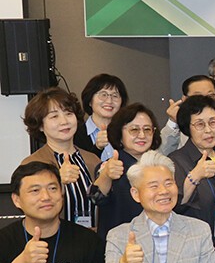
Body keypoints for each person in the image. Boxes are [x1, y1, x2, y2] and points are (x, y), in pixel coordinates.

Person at [21, 88, 100, 228]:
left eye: (68, 113)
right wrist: (57, 181)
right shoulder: (31, 164)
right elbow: (30, 206)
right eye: (54, 116)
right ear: (40, 125)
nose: (64, 121)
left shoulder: (93, 160)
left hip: (93, 236)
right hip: (54, 238)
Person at [91, 103, 162, 240]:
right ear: (119, 134)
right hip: (120, 243)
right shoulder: (110, 166)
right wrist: (106, 175)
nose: (142, 135)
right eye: (134, 130)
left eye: (147, 129)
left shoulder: (159, 167)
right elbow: (96, 197)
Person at [168, 95, 215, 233]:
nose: (208, 130)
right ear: (187, 128)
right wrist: (194, 177)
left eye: (213, 122)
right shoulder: (175, 161)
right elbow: (173, 206)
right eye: (200, 124)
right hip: (192, 238)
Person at [159, 75, 215, 156]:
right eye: (198, 97)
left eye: (210, 96)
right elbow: (161, 155)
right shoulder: (178, 130)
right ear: (184, 99)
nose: (204, 102)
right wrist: (173, 122)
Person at [74, 73, 128, 160]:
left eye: (115, 96)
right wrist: (97, 148)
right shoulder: (75, 134)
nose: (109, 101)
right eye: (103, 95)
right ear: (90, 100)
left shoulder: (126, 132)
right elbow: (81, 166)